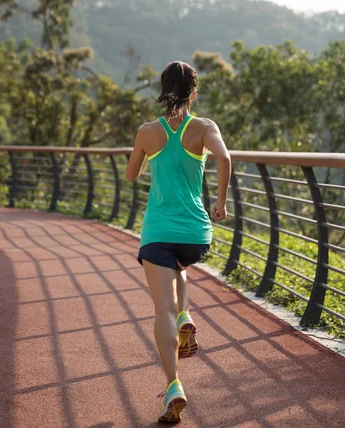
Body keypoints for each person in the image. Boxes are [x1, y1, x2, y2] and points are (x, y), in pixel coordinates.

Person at [125, 61, 231, 423]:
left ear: (162, 90)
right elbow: (225, 157)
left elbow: (130, 175)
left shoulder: (146, 131)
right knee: (179, 269)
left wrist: (146, 154)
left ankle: (173, 385)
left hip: (158, 232)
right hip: (194, 234)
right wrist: (220, 201)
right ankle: (186, 314)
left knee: (161, 311)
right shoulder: (203, 127)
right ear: (194, 93)